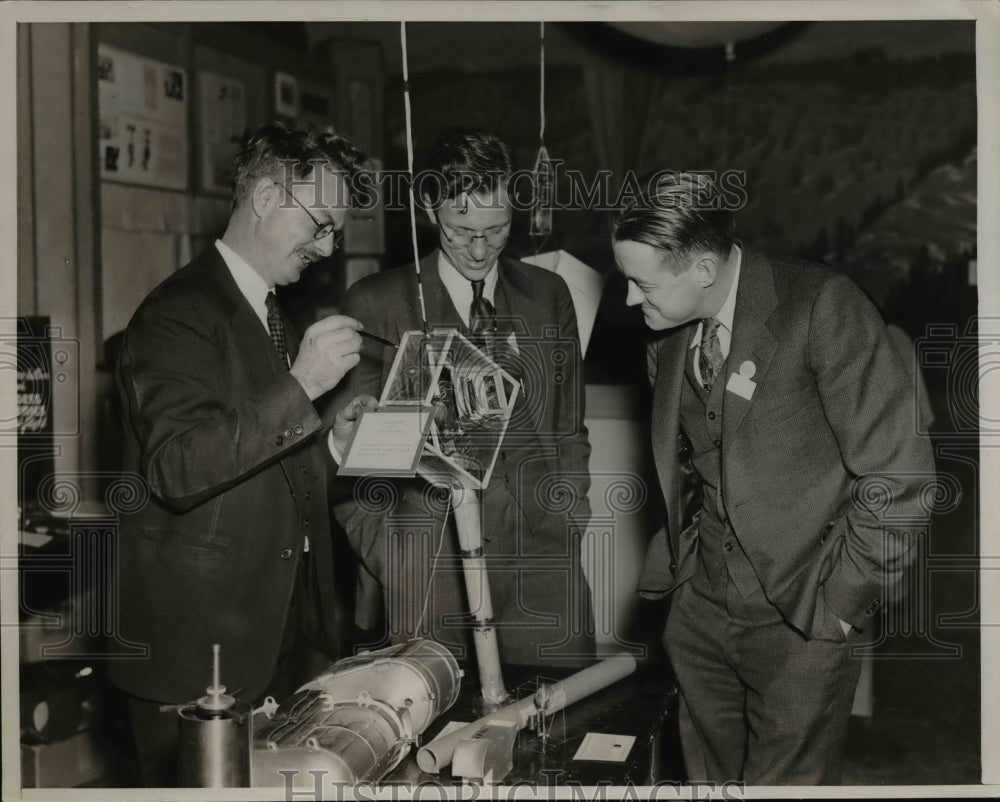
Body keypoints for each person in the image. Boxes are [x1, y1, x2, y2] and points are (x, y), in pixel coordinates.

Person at [611, 172, 935, 784]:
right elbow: (691, 461)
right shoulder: (668, 334)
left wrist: (841, 604)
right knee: (708, 783)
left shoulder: (823, 307)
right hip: (699, 614)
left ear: (703, 271)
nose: (630, 299)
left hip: (801, 620)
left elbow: (901, 474)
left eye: (642, 283)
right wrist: (685, 593)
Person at [110, 122, 370, 786]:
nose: (329, 245)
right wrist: (306, 382)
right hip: (198, 662)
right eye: (319, 222)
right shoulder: (176, 315)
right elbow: (178, 468)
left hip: (272, 640)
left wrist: (334, 445)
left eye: (335, 229)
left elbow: (261, 460)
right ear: (264, 197)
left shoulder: (263, 312)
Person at [331, 127, 595, 670]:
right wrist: (392, 560)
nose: (479, 248)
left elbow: (570, 427)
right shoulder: (377, 301)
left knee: (563, 736)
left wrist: (572, 515)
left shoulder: (549, 296)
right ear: (430, 208)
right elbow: (351, 460)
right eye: (461, 230)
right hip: (428, 579)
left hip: (543, 573)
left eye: (496, 229)